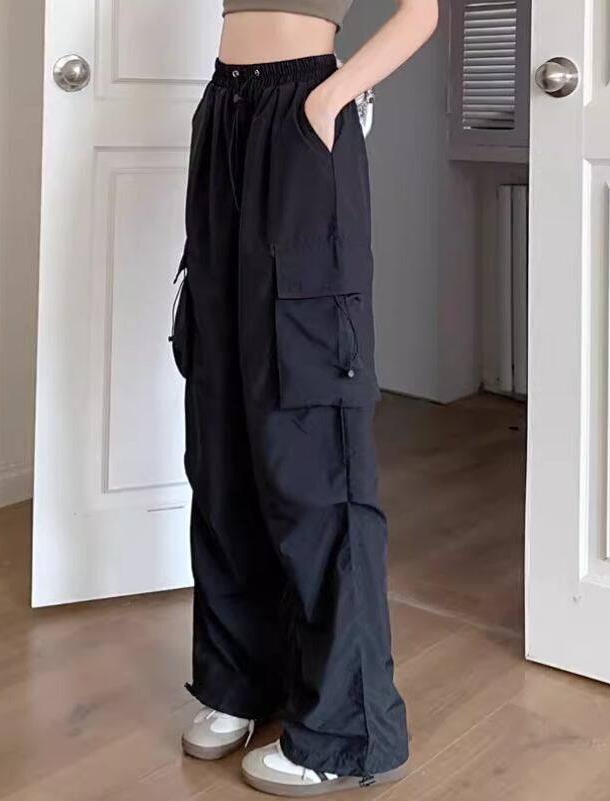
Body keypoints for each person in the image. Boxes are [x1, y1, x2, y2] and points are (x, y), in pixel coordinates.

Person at [170, 1, 438, 796]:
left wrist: (328, 99)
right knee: (221, 421)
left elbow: (422, 11)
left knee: (311, 420)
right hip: (225, 113)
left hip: (302, 113)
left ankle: (351, 730)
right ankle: (239, 679)